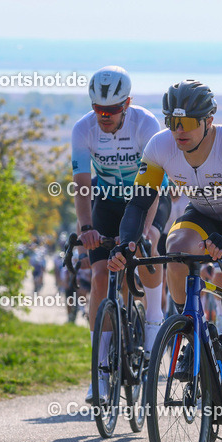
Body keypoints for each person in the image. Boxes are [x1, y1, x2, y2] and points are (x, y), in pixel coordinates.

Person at [110, 80, 222, 442]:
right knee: (175, 248)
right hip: (202, 215)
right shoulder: (160, 147)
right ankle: (188, 327)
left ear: (208, 121)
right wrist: (127, 244)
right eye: (171, 122)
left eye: (186, 123)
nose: (178, 131)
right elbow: (138, 204)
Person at [71, 65, 164, 403]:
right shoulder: (83, 130)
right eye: (98, 109)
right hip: (108, 203)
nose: (104, 116)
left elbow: (153, 185)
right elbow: (83, 186)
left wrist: (144, 231)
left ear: (127, 103)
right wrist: (86, 229)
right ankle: (98, 372)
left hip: (148, 198)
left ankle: (153, 322)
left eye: (111, 110)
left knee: (146, 250)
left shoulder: (146, 125)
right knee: (99, 276)